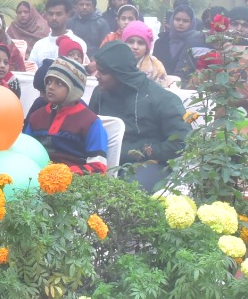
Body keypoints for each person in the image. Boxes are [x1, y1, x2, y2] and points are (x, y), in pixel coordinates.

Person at [90, 41, 190, 190]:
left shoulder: (161, 99)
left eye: (103, 72)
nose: (97, 76)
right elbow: (88, 128)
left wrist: (140, 151)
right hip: (103, 159)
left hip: (148, 163)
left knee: (128, 191)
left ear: (120, 73)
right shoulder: (100, 93)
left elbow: (182, 141)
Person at [23, 58, 108, 173]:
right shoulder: (36, 117)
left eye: (59, 83)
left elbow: (98, 166)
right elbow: (25, 153)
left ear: (74, 89)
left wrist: (64, 174)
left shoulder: (91, 122)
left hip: (74, 180)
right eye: (49, 81)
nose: (50, 87)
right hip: (36, 177)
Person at [153, 4, 205, 85]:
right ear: (172, 20)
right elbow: (154, 67)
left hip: (187, 88)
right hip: (160, 86)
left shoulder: (197, 43)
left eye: (185, 21)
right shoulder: (161, 42)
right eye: (177, 19)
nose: (180, 23)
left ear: (192, 22)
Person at [28, 0, 76, 70]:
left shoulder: (77, 42)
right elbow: (31, 70)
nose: (54, 18)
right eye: (50, 14)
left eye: (58, 14)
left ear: (67, 15)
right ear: (46, 15)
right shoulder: (39, 45)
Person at [120, 21, 168, 85]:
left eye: (140, 43)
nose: (135, 47)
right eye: (131, 42)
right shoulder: (115, 63)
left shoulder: (157, 66)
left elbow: (161, 89)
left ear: (147, 47)